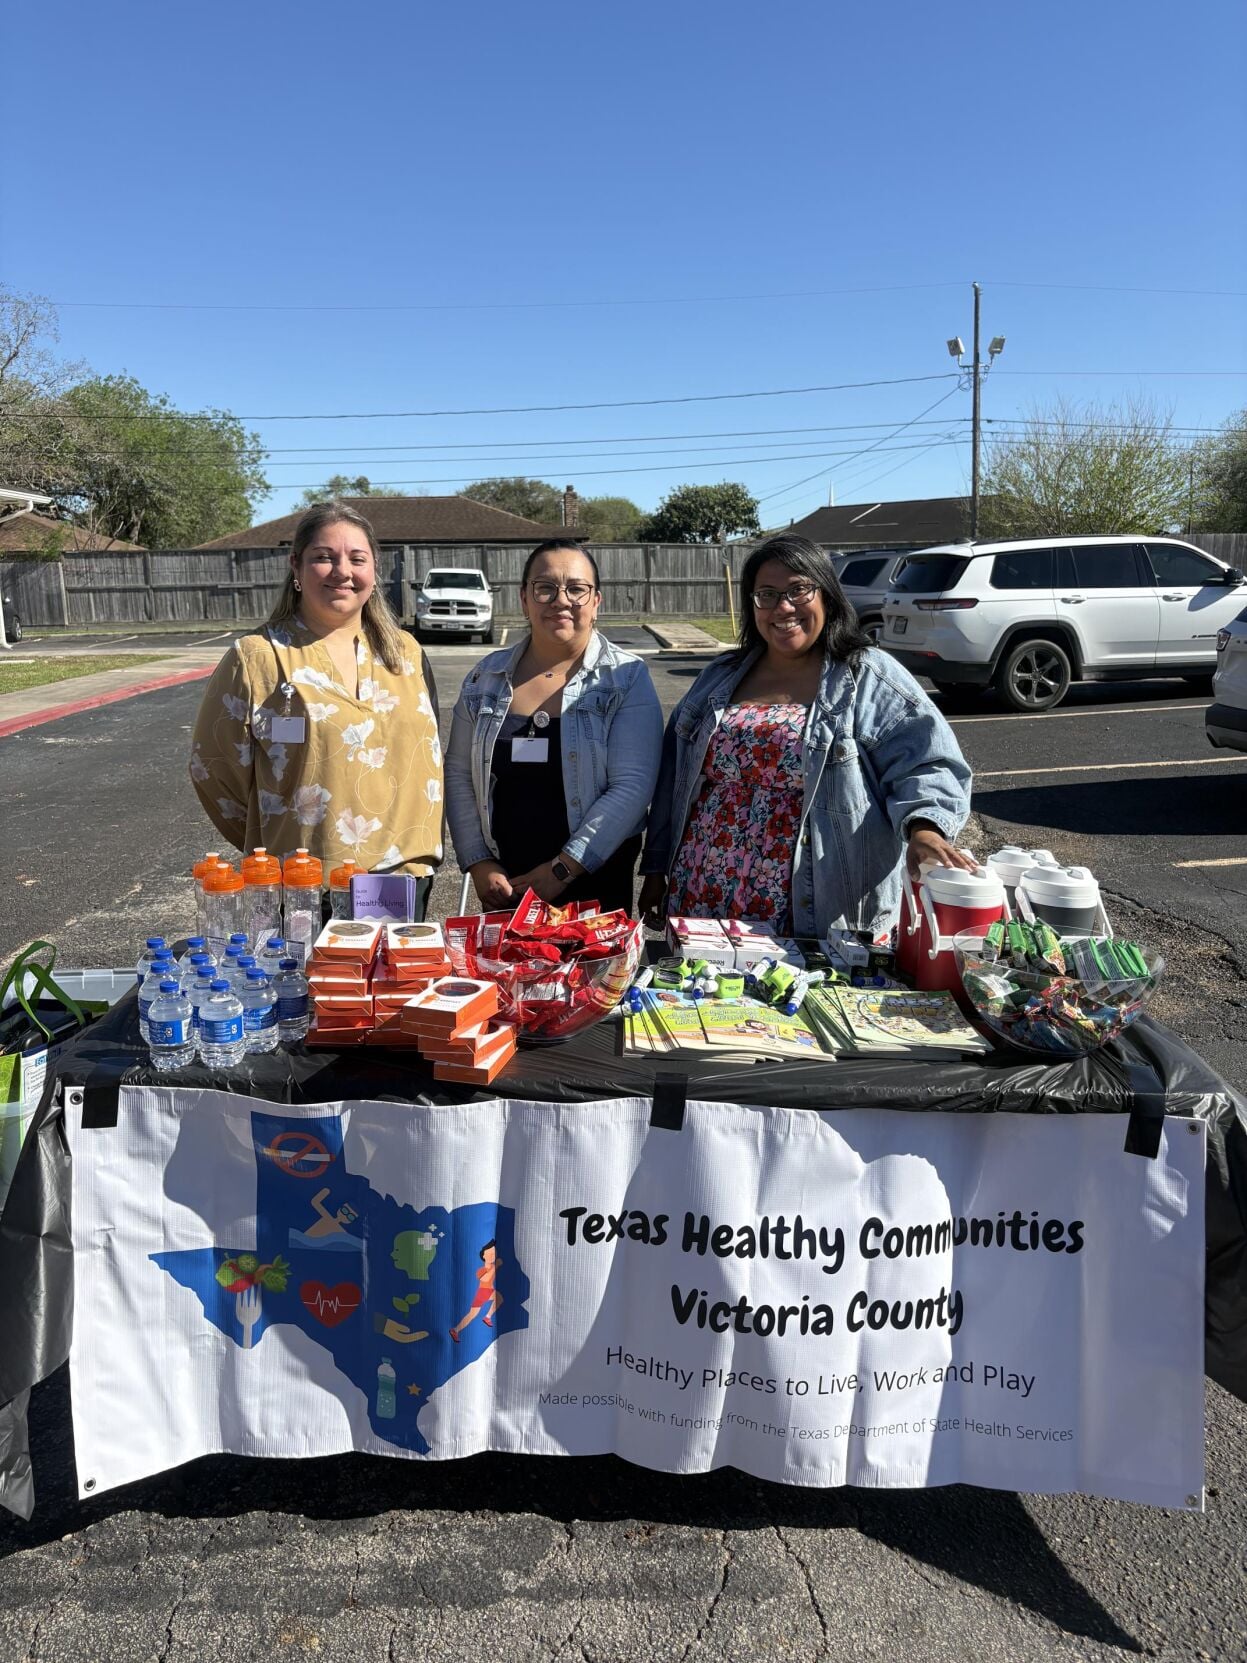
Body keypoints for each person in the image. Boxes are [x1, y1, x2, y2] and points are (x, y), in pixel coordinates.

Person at [639, 535, 974, 938]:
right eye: (767, 594)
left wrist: (924, 828)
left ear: (826, 595)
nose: (783, 607)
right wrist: (657, 867)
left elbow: (927, 761)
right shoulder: (721, 675)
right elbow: (673, 777)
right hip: (703, 893)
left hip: (812, 905)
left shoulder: (867, 675)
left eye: (798, 590)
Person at [190, 502, 444, 904]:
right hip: (302, 885)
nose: (342, 571)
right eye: (324, 557)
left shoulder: (406, 653)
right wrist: (276, 835)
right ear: (296, 566)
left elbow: (427, 758)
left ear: (374, 570)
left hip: (403, 882)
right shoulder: (256, 656)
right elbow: (215, 771)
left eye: (357, 559)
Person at [445, 540, 663, 916]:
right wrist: (479, 862)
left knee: (592, 976)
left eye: (576, 589)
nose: (560, 600)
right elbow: (460, 773)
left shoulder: (625, 678)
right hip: (506, 883)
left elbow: (632, 786)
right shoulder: (485, 678)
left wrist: (563, 868)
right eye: (545, 588)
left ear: (596, 601)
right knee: (507, 974)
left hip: (594, 877)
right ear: (524, 599)